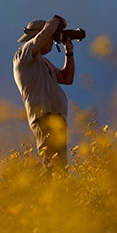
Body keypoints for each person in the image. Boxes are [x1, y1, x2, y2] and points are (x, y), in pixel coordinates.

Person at [13, 15, 76, 171]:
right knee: (52, 165)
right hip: (43, 118)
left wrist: (68, 52)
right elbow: (46, 32)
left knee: (60, 167)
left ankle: (58, 194)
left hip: (56, 119)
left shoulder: (43, 62)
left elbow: (66, 78)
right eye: (51, 38)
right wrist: (58, 20)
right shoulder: (24, 54)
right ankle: (44, 193)